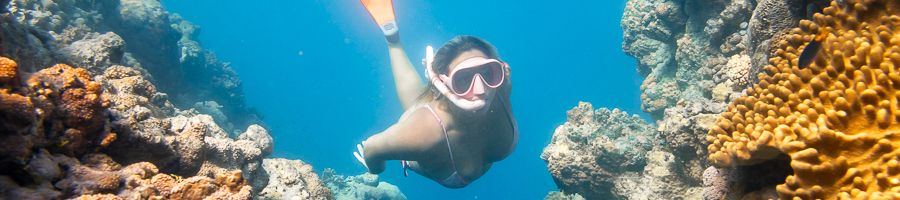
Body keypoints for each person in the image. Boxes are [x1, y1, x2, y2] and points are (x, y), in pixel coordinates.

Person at [354, 0, 518, 188]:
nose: (481, 90)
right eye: (463, 80)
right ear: (443, 83)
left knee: (419, 98)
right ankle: (393, 41)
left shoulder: (501, 85)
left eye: (488, 72)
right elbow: (372, 148)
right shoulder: (426, 133)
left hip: (438, 101)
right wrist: (375, 169)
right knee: (415, 108)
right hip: (428, 127)